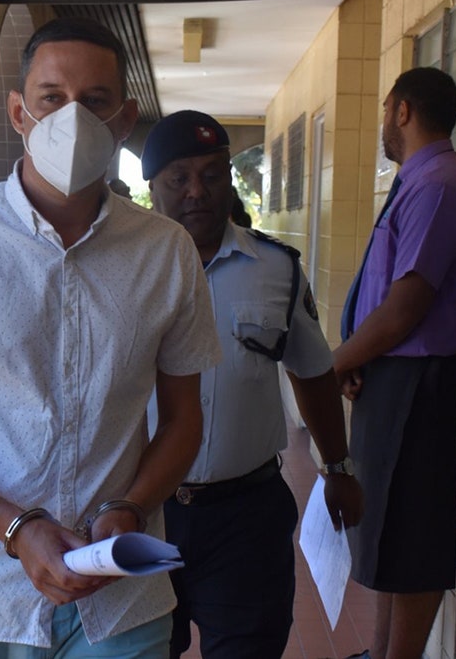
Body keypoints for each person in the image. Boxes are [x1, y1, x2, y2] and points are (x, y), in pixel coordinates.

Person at [0, 18, 221, 658]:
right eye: (52, 98)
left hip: (118, 592)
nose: (72, 118)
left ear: (124, 118)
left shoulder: (167, 253)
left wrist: (129, 508)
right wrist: (17, 529)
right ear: (19, 113)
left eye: (96, 101)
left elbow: (184, 417)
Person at [141, 110, 364, 659]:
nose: (198, 191)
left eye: (213, 175)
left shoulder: (276, 269)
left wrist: (336, 468)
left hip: (245, 514)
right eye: (179, 178)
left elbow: (312, 372)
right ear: (153, 187)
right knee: (140, 650)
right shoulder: (123, 269)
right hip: (142, 510)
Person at [333, 67, 456, 659]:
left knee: (412, 538)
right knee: (386, 530)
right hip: (393, 376)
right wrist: (362, 357)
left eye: (386, 109)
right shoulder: (415, 180)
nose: (383, 123)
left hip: (421, 385)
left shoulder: (438, 183)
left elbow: (405, 307)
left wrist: (334, 362)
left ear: (404, 111)